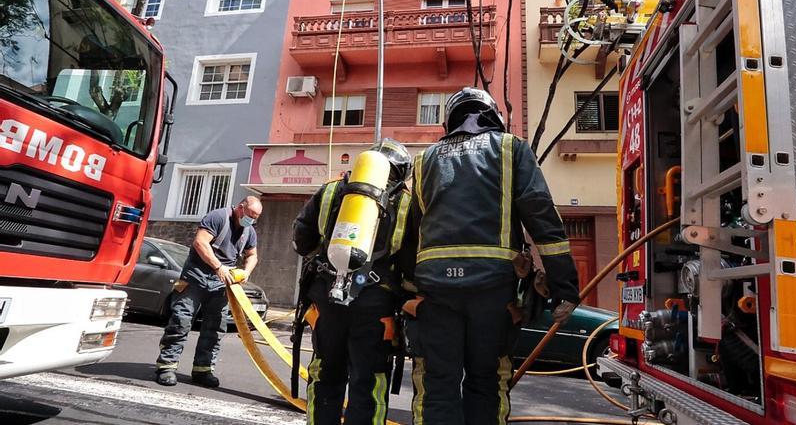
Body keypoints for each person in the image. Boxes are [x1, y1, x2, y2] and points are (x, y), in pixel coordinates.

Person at [403, 87, 580, 425]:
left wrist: (410, 291)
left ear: (450, 120)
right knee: (486, 383)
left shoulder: (424, 159)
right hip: (494, 293)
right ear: (494, 117)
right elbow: (541, 216)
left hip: (436, 293)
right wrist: (564, 286)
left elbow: (413, 232)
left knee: (436, 386)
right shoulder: (511, 148)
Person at [292, 138, 414, 425]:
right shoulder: (407, 202)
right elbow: (411, 260)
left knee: (325, 373)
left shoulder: (333, 190)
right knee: (369, 381)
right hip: (375, 305)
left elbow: (301, 238)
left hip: (327, 298)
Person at [155, 196, 262, 387]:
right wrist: (218, 267)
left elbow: (252, 255)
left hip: (222, 283)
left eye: (256, 217)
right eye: (250, 215)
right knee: (181, 320)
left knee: (215, 327)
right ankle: (166, 367)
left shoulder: (249, 231)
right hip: (196, 276)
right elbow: (200, 242)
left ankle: (203, 370)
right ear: (240, 207)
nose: (252, 220)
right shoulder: (218, 217)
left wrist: (246, 271)